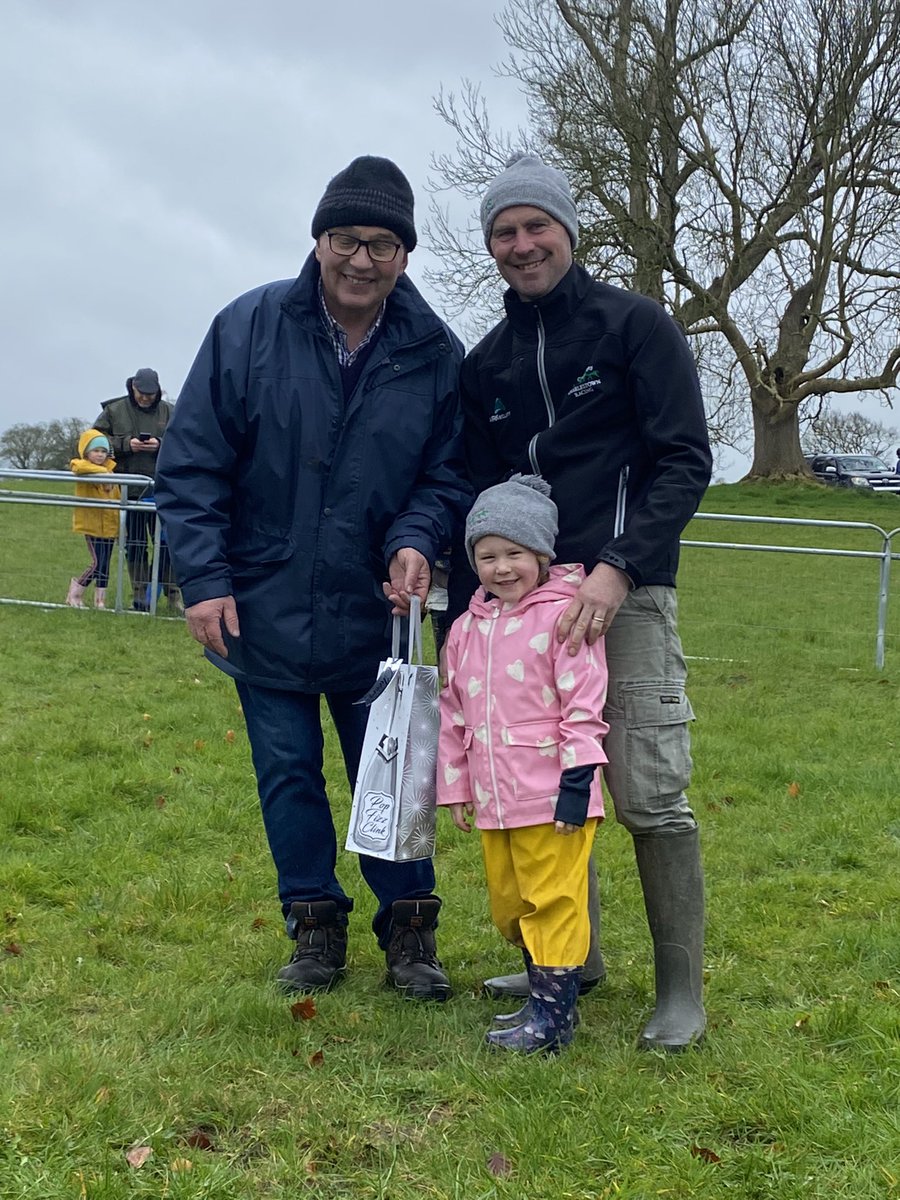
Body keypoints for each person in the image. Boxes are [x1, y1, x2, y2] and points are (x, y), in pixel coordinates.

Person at [155, 156, 470, 1001]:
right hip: (260, 607)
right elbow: (191, 467)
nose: (361, 260)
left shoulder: (438, 354)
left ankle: (409, 930)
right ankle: (314, 924)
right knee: (288, 772)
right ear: (318, 240)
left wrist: (416, 536)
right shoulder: (247, 327)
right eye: (346, 239)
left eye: (383, 245)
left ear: (405, 255)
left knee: (390, 772)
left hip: (377, 617)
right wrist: (207, 578)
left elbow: (449, 473)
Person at [452, 153, 713, 1051]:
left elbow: (684, 460)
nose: (522, 245)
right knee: (540, 782)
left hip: (622, 597)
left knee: (646, 787)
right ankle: (575, 956)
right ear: (490, 245)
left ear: (568, 229)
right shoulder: (483, 365)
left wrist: (619, 566)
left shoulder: (637, 327)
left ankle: (681, 990)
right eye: (504, 232)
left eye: (536, 226)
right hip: (524, 611)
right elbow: (481, 494)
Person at [439, 475, 608, 1054]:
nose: (501, 568)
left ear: (540, 555)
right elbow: (454, 713)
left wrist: (577, 780)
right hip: (494, 798)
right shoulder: (464, 630)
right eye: (487, 556)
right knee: (510, 905)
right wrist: (456, 787)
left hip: (554, 794)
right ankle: (543, 989)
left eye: (515, 553)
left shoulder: (565, 618)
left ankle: (553, 1017)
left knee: (553, 898)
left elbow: (584, 702)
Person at [93, 368, 180, 612]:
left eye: (151, 395)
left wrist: (161, 445)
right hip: (128, 492)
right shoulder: (113, 411)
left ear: (158, 392)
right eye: (142, 393)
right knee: (136, 546)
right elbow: (94, 442)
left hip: (163, 491)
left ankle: (173, 597)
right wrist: (126, 444)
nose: (145, 398)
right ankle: (140, 598)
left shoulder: (171, 412)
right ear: (133, 387)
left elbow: (185, 441)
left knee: (168, 546)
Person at [66, 429, 120, 609]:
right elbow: (78, 466)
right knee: (97, 563)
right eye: (96, 450)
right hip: (92, 524)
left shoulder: (111, 471)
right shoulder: (82, 467)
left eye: (103, 451)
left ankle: (100, 602)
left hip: (110, 526)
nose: (100, 454)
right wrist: (103, 473)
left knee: (105, 565)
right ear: (86, 451)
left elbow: (117, 499)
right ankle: (74, 594)